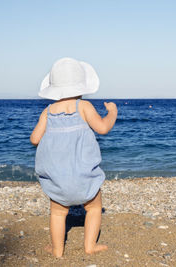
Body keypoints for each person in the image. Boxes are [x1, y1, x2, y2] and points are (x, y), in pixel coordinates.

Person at [30, 57, 117, 258]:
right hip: (84, 176)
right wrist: (112, 112)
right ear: (81, 86)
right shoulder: (83, 106)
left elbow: (34, 139)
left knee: (58, 213)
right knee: (94, 208)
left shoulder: (48, 111)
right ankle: (89, 246)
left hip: (58, 179)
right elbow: (103, 128)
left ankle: (58, 250)